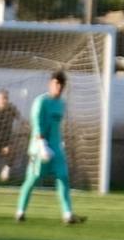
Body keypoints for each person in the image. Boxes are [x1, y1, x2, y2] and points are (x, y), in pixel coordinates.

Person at [15, 71, 82, 225]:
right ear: (50, 84)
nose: (59, 87)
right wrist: (42, 145)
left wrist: (60, 143)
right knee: (32, 179)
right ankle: (20, 211)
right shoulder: (41, 102)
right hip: (40, 147)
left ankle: (67, 214)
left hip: (56, 148)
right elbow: (36, 123)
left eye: (62, 85)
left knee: (63, 177)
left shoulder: (62, 104)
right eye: (56, 84)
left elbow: (56, 127)